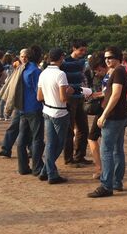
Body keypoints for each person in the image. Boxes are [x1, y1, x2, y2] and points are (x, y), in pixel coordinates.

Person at [87, 46, 127, 198]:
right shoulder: (120, 71)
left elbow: (116, 94)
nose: (107, 60)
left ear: (118, 58)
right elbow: (110, 93)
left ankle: (107, 185)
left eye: (110, 57)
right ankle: (116, 182)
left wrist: (104, 115)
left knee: (107, 150)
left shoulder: (118, 72)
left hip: (113, 117)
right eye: (106, 58)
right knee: (117, 150)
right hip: (120, 116)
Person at [37, 48, 74, 184]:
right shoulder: (61, 74)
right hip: (59, 112)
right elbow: (63, 97)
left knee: (51, 143)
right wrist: (69, 91)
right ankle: (50, 173)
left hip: (47, 110)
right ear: (61, 58)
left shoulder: (43, 73)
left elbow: (39, 96)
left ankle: (45, 171)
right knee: (58, 144)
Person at [0, 49, 31, 158]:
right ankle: (6, 149)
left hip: (28, 104)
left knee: (29, 129)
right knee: (14, 127)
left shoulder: (31, 69)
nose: (24, 58)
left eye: (26, 56)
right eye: (22, 56)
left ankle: (32, 150)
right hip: (19, 103)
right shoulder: (18, 69)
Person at [62, 39, 92, 166]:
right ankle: (69, 159)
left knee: (83, 128)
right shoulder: (64, 63)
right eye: (81, 50)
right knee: (69, 129)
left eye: (85, 50)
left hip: (80, 96)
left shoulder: (83, 62)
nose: (83, 52)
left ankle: (80, 156)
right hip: (69, 99)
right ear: (74, 48)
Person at [16, 46, 45, 177]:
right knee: (37, 138)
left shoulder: (23, 69)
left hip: (23, 107)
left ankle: (23, 166)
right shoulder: (35, 71)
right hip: (34, 107)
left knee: (22, 137)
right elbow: (38, 91)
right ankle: (37, 167)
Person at [86, 55, 108, 179]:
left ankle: (100, 169)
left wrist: (93, 95)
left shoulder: (108, 76)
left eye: (97, 70)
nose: (96, 73)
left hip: (104, 111)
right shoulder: (114, 74)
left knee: (93, 137)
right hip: (110, 112)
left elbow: (107, 93)